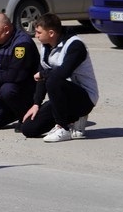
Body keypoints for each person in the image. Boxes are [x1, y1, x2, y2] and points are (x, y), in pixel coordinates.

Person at [19, 13, 99, 142]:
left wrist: (43, 74)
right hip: (61, 97)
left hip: (84, 99)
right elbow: (43, 73)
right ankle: (74, 119)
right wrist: (36, 104)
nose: (36, 35)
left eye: (39, 32)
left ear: (51, 33)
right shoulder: (46, 46)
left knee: (53, 80)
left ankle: (63, 128)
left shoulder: (75, 46)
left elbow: (62, 73)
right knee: (28, 129)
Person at [0, 12, 40, 130]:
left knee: (8, 90)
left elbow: (15, 75)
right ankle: (15, 111)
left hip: (21, 89)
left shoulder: (21, 44)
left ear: (6, 30)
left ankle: (25, 115)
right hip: (0, 87)